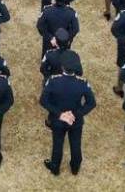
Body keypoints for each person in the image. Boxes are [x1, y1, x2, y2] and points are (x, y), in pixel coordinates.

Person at [40, 48, 96, 176]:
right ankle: (75, 168)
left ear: (62, 67)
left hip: (57, 120)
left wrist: (60, 114)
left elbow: (43, 101)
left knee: (57, 145)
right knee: (76, 144)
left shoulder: (53, 81)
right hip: (75, 121)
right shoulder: (82, 83)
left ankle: (55, 167)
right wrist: (75, 115)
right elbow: (91, 103)